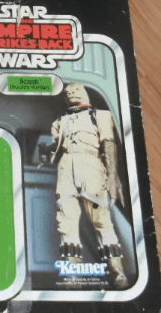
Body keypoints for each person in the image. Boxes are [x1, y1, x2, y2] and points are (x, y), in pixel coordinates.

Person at [38, 82, 128, 289]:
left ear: (85, 92)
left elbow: (109, 144)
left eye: (76, 89)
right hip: (65, 169)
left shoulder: (100, 115)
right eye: (68, 92)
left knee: (101, 219)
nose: (71, 93)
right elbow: (57, 148)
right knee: (66, 221)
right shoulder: (59, 122)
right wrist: (46, 150)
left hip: (91, 166)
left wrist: (112, 177)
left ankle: (118, 273)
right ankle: (72, 275)